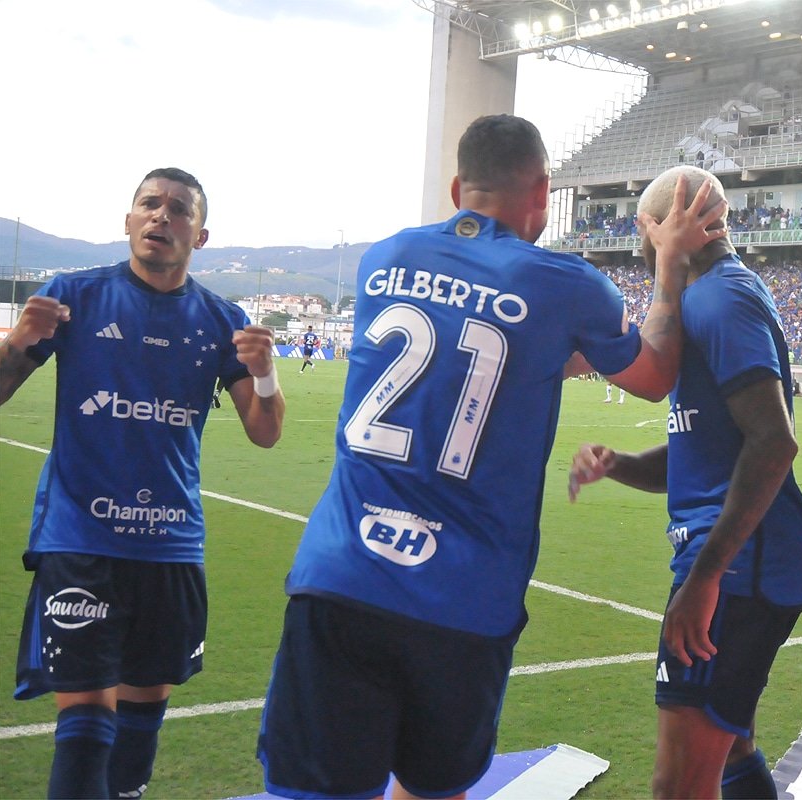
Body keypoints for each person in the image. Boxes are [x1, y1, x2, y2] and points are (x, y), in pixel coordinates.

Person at [256, 115, 726, 800]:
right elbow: (653, 377)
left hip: (343, 574)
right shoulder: (565, 284)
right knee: (434, 788)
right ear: (542, 190)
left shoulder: (382, 259)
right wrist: (668, 264)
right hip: (463, 596)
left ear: (456, 186)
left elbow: (464, 343)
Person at [0, 167, 285, 799]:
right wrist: (19, 339)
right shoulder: (76, 294)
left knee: (136, 736)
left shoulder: (220, 318)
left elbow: (264, 430)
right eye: (149, 205)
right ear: (128, 222)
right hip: (80, 540)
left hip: (169, 544)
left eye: (178, 210)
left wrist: (265, 375)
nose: (162, 216)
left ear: (200, 235)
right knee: (83, 734)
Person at [568, 165, 802, 800]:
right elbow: (712, 448)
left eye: (644, 228)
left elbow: (774, 441)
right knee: (732, 751)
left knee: (678, 784)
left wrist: (706, 577)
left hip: (738, 570)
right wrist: (620, 463)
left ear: (666, 227)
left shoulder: (720, 298)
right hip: (744, 562)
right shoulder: (707, 298)